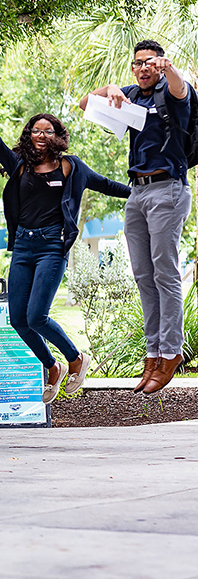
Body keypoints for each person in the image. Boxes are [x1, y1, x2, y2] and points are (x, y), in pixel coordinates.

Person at [0, 71, 131, 403]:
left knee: (37, 314)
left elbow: (108, 186)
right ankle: (51, 365)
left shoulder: (70, 167)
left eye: (47, 130)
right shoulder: (20, 166)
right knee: (18, 319)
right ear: (29, 135)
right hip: (24, 246)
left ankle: (75, 358)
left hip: (53, 246)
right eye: (35, 130)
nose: (41, 135)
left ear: (57, 135)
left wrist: (145, 192)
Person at [80, 40, 192, 393]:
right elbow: (85, 104)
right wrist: (109, 89)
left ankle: (171, 352)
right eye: (138, 63)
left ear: (158, 64)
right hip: (137, 192)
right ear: (133, 67)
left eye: (150, 63)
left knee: (165, 271)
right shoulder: (130, 93)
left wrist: (168, 68)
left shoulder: (170, 90)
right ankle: (153, 352)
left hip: (167, 189)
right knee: (144, 274)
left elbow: (180, 87)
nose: (144, 68)